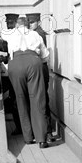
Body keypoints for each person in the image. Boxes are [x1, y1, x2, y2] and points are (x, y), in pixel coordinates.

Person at [1, 15, 50, 148]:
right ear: (27, 25)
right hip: (34, 61)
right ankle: (42, 139)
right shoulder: (36, 34)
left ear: (17, 25)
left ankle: (28, 137)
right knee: (38, 100)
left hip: (15, 63)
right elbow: (45, 56)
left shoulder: (10, 34)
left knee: (20, 99)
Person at [27, 12, 56, 141]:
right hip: (39, 69)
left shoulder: (39, 33)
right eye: (29, 22)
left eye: (32, 22)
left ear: (38, 22)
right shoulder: (36, 32)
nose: (30, 25)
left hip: (41, 70)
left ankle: (47, 132)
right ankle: (45, 131)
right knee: (42, 100)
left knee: (42, 100)